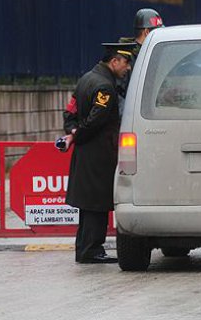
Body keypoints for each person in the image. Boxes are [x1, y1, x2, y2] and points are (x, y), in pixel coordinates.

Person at [62, 42, 135, 264]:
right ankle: (92, 249)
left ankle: (84, 248)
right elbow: (95, 121)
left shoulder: (87, 78)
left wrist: (72, 131)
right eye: (125, 63)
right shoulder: (105, 87)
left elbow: (70, 111)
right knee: (97, 202)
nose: (128, 68)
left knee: (88, 203)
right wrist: (78, 134)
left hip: (85, 152)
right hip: (99, 153)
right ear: (114, 61)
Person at [117, 8, 164, 113]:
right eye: (158, 31)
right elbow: (117, 94)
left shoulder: (152, 53)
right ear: (147, 32)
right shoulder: (125, 58)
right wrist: (129, 114)